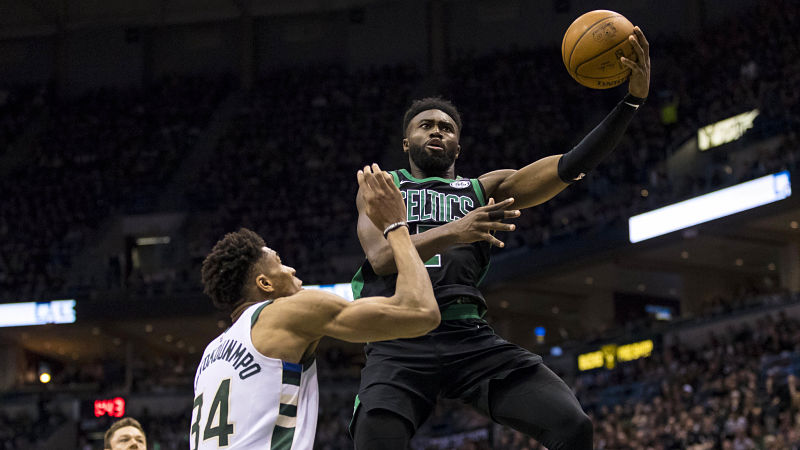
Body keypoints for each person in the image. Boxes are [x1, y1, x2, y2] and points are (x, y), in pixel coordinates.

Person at [350, 28, 651, 449]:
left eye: (446, 128)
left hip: (467, 333)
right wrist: (455, 231)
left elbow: (570, 166)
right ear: (406, 143)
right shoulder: (386, 186)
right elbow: (382, 258)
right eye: (425, 126)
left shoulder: (485, 188)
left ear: (457, 147)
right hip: (396, 335)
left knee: (572, 425)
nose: (436, 132)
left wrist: (631, 101)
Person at [191, 164, 438, 449]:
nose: (292, 269)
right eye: (280, 263)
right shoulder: (288, 312)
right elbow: (421, 313)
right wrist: (396, 226)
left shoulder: (210, 353)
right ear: (265, 283)